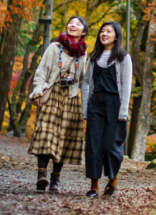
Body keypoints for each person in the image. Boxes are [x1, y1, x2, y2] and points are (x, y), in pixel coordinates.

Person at [28, 16, 89, 192]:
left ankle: (56, 179)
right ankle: (42, 175)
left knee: (63, 139)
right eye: (71, 22)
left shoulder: (83, 54)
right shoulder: (54, 47)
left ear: (83, 32)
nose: (73, 25)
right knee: (46, 135)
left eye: (78, 24)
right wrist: (38, 91)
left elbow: (84, 80)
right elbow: (41, 72)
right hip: (53, 94)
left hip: (71, 99)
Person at [82, 21, 132, 197]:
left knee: (112, 145)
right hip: (95, 103)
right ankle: (94, 185)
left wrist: (123, 111)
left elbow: (126, 84)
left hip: (115, 104)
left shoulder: (123, 57)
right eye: (102, 31)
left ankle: (113, 178)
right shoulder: (94, 57)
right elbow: (86, 81)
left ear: (116, 35)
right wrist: (85, 109)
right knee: (93, 144)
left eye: (108, 31)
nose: (104, 34)